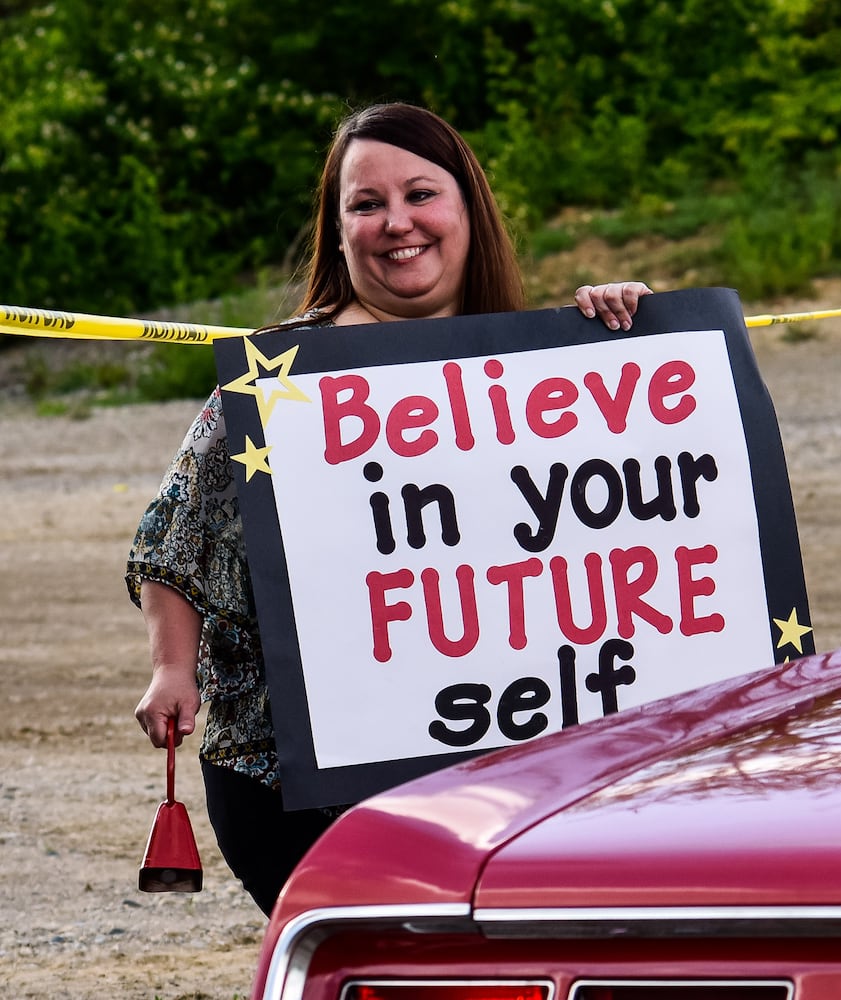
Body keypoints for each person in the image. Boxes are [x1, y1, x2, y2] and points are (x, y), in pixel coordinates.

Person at [128, 102, 652, 915]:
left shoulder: (545, 364)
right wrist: (171, 667)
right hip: (295, 783)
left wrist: (632, 334)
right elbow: (176, 534)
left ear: (467, 211)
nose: (395, 223)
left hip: (501, 776)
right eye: (365, 205)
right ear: (338, 233)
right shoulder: (282, 374)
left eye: (419, 195)